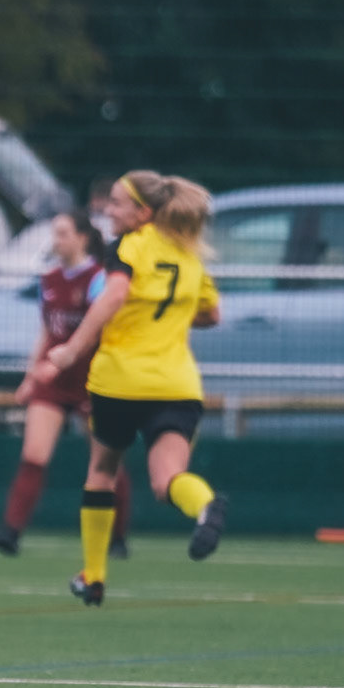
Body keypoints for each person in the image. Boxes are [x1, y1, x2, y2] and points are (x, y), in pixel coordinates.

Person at [32, 171, 226, 606]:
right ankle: (205, 506)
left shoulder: (127, 247)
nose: (108, 210)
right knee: (167, 479)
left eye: (118, 203)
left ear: (143, 213)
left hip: (120, 382)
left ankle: (94, 576)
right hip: (176, 384)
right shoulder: (189, 255)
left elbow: (116, 294)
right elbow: (212, 315)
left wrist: (71, 350)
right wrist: (168, 316)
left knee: (102, 470)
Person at [0, 210, 132, 558]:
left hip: (93, 379)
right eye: (54, 233)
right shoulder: (49, 279)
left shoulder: (99, 279)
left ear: (82, 238)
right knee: (34, 455)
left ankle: (117, 537)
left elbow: (99, 330)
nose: (55, 241)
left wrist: (65, 360)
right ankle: (10, 532)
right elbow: (48, 331)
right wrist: (32, 376)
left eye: (62, 233)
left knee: (104, 463)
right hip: (54, 379)